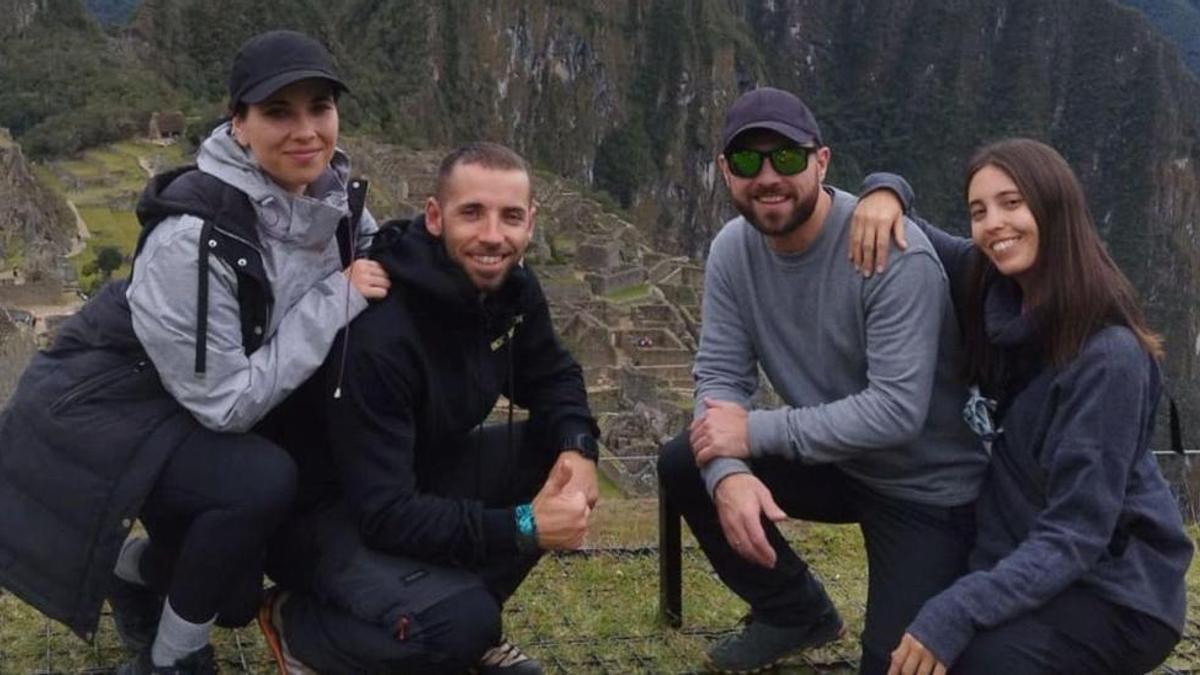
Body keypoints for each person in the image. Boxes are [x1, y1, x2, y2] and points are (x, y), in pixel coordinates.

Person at [0, 30, 388, 674]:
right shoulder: (194, 237)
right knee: (262, 480)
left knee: (234, 599)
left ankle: (136, 571)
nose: (306, 131)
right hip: (110, 405)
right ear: (238, 125)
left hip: (181, 402)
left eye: (318, 107)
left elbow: (374, 256)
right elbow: (228, 405)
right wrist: (334, 302)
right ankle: (173, 661)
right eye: (277, 113)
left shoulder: (328, 198)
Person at [655, 87, 989, 674]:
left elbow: (895, 412)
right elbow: (719, 376)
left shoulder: (890, 252)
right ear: (724, 172)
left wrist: (753, 433)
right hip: (838, 464)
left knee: (894, 666)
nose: (767, 177)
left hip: (925, 487)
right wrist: (729, 473)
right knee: (689, 460)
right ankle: (794, 612)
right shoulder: (734, 250)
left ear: (822, 161)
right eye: (746, 162)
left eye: (785, 158)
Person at [848, 138, 1193, 674]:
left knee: (969, 660)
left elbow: (1076, 534)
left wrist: (958, 609)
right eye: (978, 211)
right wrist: (885, 190)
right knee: (895, 655)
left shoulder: (1108, 359)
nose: (994, 225)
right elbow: (913, 228)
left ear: (1054, 207)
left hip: (1114, 589)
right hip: (1017, 555)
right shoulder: (991, 285)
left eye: (1013, 203)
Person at [256, 142, 600, 675]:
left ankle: (456, 607)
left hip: (413, 474)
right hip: (325, 516)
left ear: (530, 222)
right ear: (435, 218)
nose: (492, 236)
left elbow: (553, 375)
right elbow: (386, 513)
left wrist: (579, 448)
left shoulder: (511, 291)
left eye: (510, 216)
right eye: (472, 213)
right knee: (457, 628)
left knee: (548, 452)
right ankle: (299, 624)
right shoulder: (384, 335)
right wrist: (527, 525)